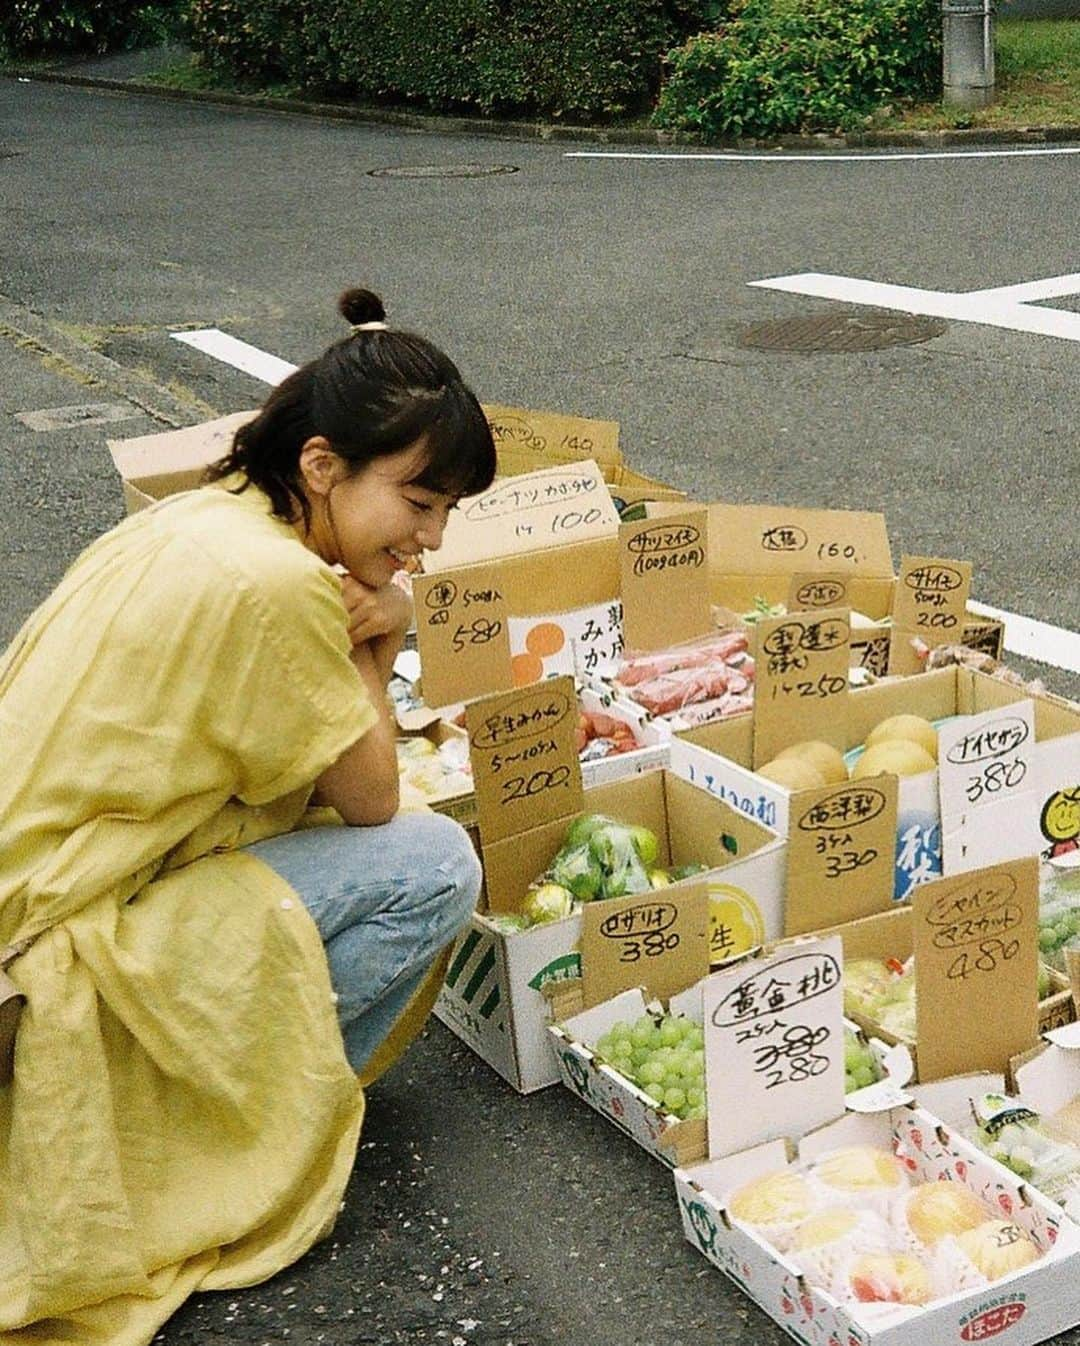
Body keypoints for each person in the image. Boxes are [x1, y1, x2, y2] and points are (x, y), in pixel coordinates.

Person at [0, 287, 496, 1346]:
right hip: (65, 925)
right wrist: (381, 636)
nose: (433, 537)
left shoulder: (204, 513)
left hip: (42, 878)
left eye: (447, 509)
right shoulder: (278, 579)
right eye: (419, 500)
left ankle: (250, 1087)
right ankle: (257, 1123)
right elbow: (370, 799)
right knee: (434, 863)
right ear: (323, 465)